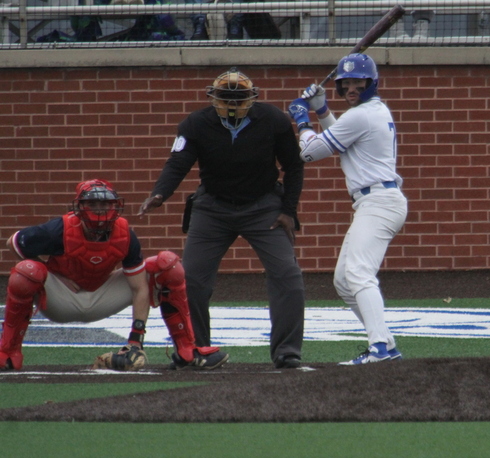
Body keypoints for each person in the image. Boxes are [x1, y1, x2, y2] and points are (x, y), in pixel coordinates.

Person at [138, 67, 306, 369]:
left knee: (288, 275)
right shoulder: (195, 124)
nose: (232, 103)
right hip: (212, 207)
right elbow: (178, 162)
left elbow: (293, 166)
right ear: (213, 98)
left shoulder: (274, 121)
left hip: (263, 205)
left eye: (238, 97)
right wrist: (160, 193)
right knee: (190, 280)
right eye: (226, 97)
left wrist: (288, 211)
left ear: (252, 98)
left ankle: (287, 351)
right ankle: (195, 348)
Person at [0, 179, 228, 371]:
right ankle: (8, 352)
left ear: (115, 206)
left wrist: (135, 341)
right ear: (80, 207)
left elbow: (139, 288)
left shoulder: (125, 234)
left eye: (105, 203)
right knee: (25, 273)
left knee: (168, 265)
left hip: (102, 295)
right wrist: (50, 270)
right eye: (93, 203)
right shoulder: (58, 229)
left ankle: (186, 352)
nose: (99, 210)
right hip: (61, 298)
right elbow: (14, 242)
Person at [287, 53, 407, 366]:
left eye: (358, 82)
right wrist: (322, 109)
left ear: (371, 82)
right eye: (346, 83)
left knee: (358, 273)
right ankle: (388, 345)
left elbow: (311, 153)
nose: (352, 88)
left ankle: (379, 347)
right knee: (343, 281)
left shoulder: (363, 115)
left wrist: (301, 119)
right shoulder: (367, 112)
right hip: (376, 200)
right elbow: (341, 136)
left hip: (379, 201)